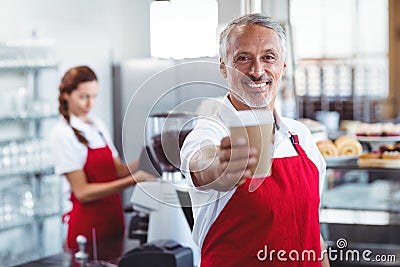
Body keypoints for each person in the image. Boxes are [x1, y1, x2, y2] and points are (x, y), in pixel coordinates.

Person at [180, 14, 330, 266]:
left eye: (268, 58)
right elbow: (201, 163)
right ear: (222, 66)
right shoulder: (211, 132)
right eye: (243, 58)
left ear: (283, 66)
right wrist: (222, 166)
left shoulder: (300, 136)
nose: (257, 71)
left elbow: (313, 233)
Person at [50, 66, 154, 250]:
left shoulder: (97, 125)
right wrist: (134, 180)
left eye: (94, 96)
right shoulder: (63, 134)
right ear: (66, 95)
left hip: (113, 221)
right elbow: (83, 192)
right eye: (84, 97)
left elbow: (118, 170)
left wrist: (149, 154)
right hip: (86, 227)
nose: (90, 104)